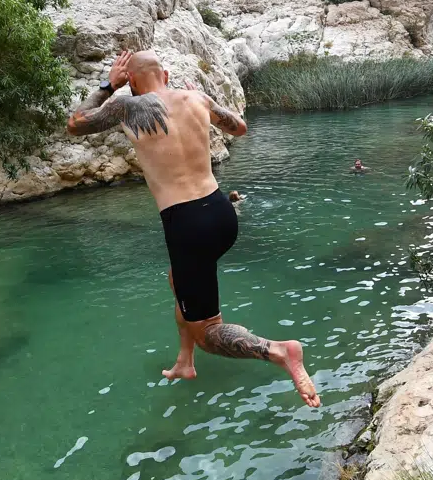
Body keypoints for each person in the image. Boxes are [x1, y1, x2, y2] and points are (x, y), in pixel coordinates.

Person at [67, 50, 320, 408]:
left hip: (187, 224)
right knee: (179, 280)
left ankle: (279, 351)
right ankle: (185, 362)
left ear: (133, 81)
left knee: (209, 332)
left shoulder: (126, 105)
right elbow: (240, 128)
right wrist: (205, 97)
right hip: (220, 212)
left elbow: (75, 123)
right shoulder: (196, 98)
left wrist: (109, 85)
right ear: (166, 75)